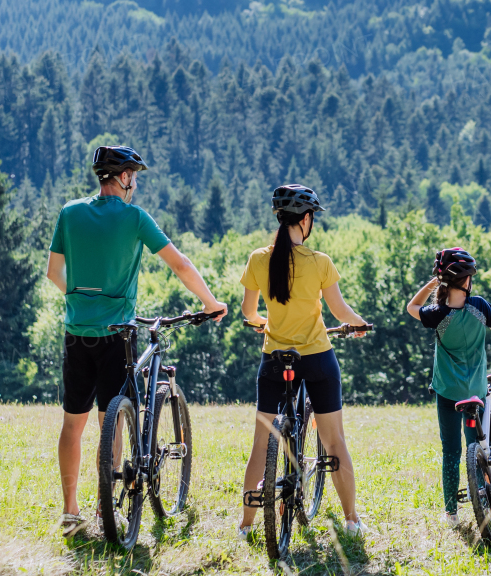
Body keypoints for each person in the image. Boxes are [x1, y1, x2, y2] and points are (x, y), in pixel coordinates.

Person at [46, 145, 227, 539]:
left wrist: (81, 302)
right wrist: (210, 303)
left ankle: (70, 511)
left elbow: (53, 272)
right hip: (117, 336)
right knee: (110, 423)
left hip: (77, 332)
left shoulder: (70, 212)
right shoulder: (135, 218)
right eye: (135, 176)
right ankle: (104, 509)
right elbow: (179, 263)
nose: (136, 184)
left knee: (72, 425)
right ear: (123, 177)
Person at [239, 184, 371, 538]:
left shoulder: (258, 259)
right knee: (334, 442)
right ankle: (351, 520)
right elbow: (339, 310)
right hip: (316, 358)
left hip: (274, 358)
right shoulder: (320, 262)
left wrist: (263, 324)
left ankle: (245, 525)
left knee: (260, 444)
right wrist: (358, 324)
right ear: (307, 219)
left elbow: (249, 312)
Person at [406, 247, 491, 528]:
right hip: (476, 388)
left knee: (451, 451)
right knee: (481, 444)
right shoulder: (479, 306)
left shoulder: (437, 313)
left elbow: (411, 308)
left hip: (446, 391)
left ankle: (452, 513)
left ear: (444, 281)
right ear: (467, 280)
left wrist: (432, 283)